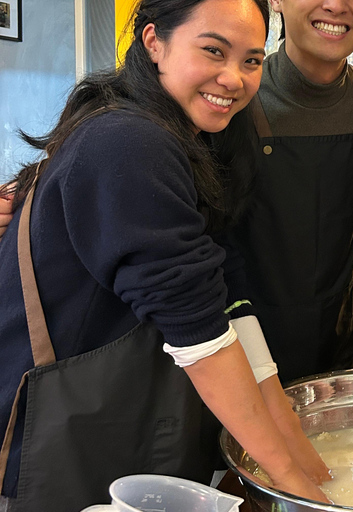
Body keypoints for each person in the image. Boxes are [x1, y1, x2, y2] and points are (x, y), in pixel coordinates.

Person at [0, 0, 330, 510]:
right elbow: (199, 330)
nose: (233, 79)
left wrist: (301, 447)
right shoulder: (126, 142)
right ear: (154, 42)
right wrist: (295, 485)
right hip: (49, 441)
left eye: (252, 60)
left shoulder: (194, 140)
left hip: (120, 428)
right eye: (213, 51)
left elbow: (226, 294)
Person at [210, 0, 353, 384]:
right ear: (277, 1)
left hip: (338, 341)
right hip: (241, 345)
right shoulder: (230, 99)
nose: (335, 5)